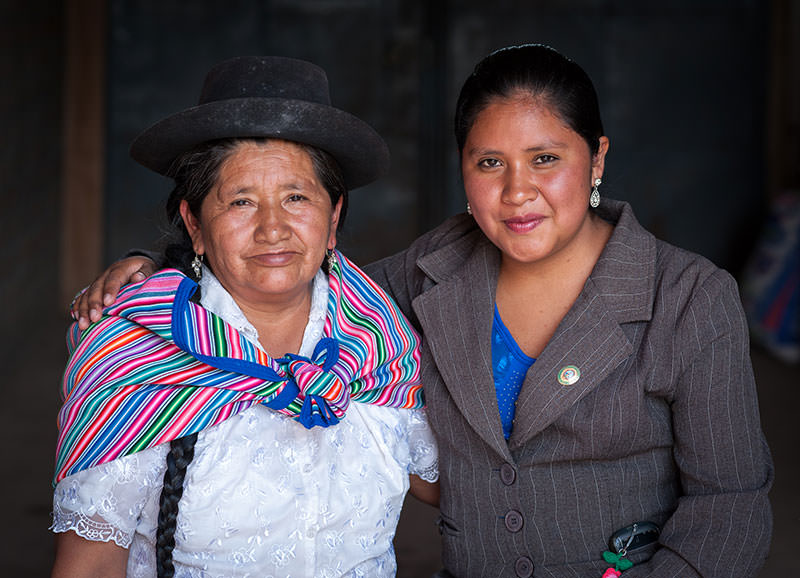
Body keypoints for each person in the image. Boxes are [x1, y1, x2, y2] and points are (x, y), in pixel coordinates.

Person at [73, 44, 773, 577]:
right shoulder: (423, 276)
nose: (517, 190)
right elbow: (284, 278)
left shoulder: (687, 299)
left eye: (546, 158)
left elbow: (733, 500)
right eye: (488, 162)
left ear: (596, 160)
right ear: (463, 170)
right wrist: (160, 268)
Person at [52, 55, 438, 578]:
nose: (273, 229)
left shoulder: (383, 339)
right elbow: (90, 565)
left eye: (297, 197)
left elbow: (446, 486)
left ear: (334, 215)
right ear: (194, 222)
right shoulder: (129, 354)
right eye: (241, 202)